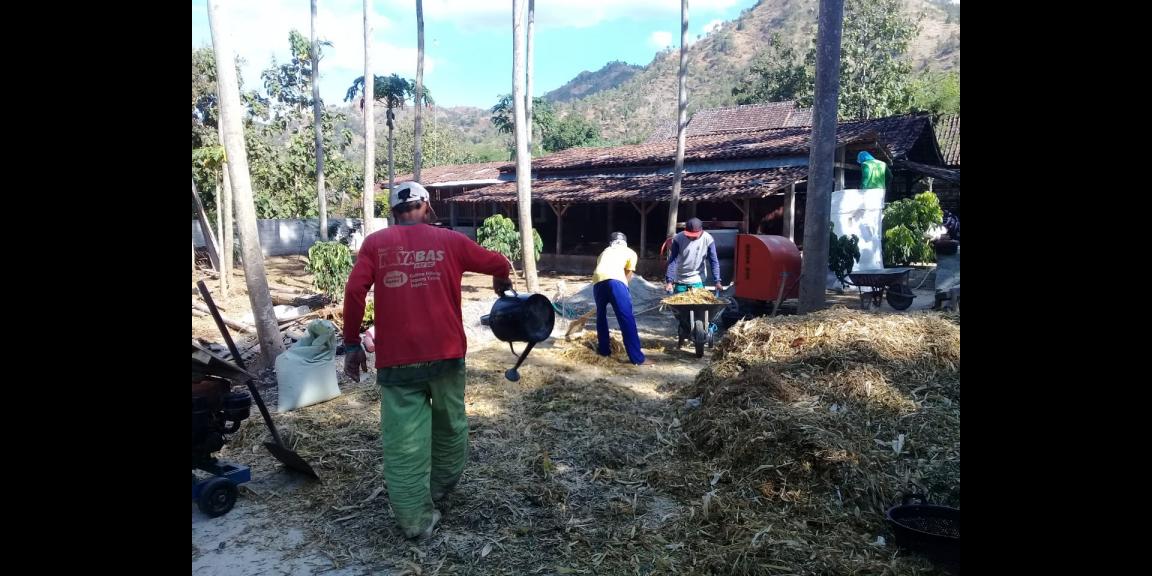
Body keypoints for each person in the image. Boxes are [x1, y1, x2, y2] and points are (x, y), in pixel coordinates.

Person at [342, 181, 513, 540]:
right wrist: (500, 280)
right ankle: (436, 491)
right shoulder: (450, 241)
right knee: (450, 428)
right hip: (446, 355)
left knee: (403, 442)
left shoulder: (375, 244)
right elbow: (500, 261)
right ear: (427, 206)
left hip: (396, 361)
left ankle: (416, 521)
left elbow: (355, 291)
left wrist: (352, 343)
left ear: (393, 212)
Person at [591, 232, 646, 365]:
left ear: (611, 242)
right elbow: (628, 274)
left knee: (601, 316)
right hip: (616, 282)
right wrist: (623, 290)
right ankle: (637, 358)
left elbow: (601, 270)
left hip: (598, 281)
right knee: (626, 318)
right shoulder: (630, 252)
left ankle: (604, 351)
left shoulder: (605, 252)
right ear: (625, 243)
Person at [665, 217, 723, 294]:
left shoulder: (708, 239)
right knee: (680, 304)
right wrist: (669, 281)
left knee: (697, 304)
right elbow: (673, 260)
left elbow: (714, 261)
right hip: (680, 279)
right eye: (689, 235)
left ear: (701, 231)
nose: (691, 237)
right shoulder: (678, 238)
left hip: (698, 280)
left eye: (694, 235)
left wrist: (717, 281)